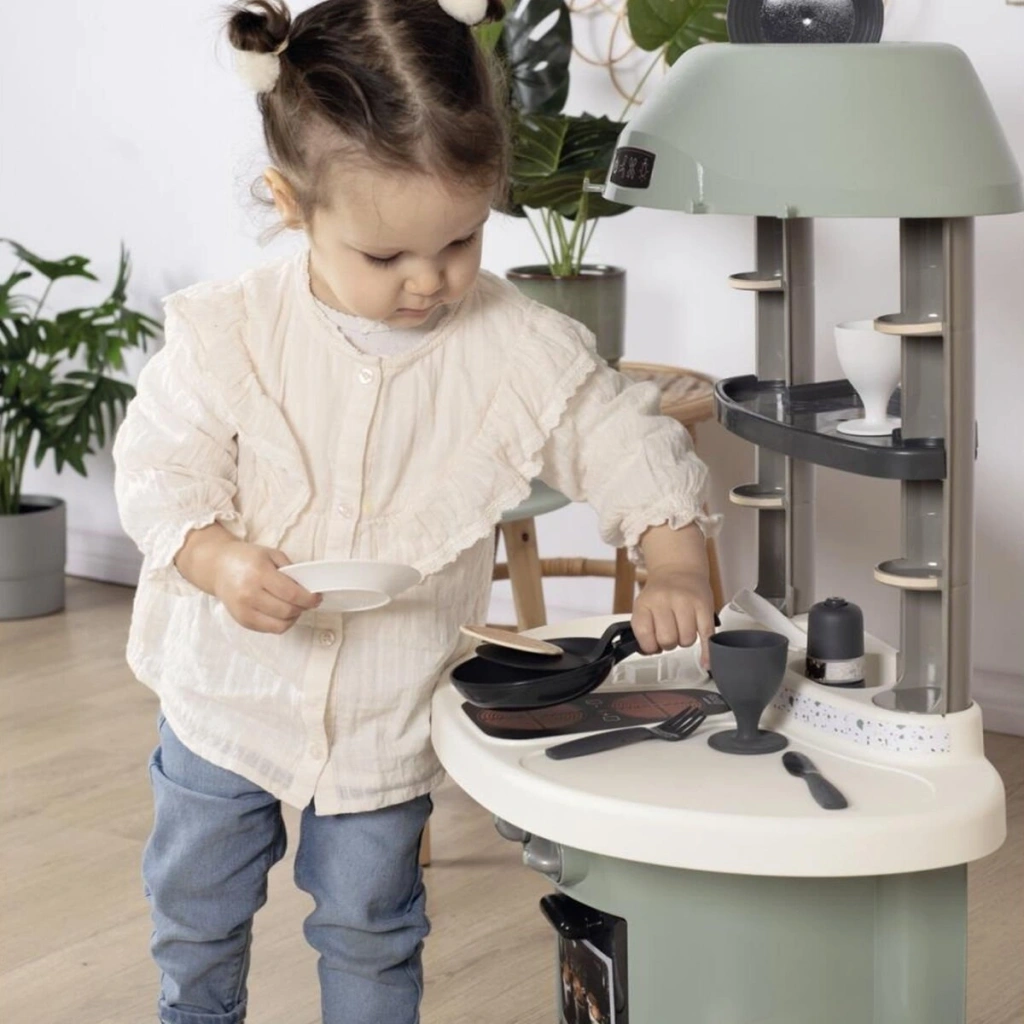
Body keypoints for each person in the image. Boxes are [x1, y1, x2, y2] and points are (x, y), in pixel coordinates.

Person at [113, 1, 718, 1022]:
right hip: (228, 691)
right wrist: (216, 559)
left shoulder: (517, 348)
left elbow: (624, 438)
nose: (430, 281)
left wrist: (675, 559)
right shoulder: (231, 333)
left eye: (461, 239)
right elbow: (159, 467)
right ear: (292, 205)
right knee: (195, 906)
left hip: (383, 715)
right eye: (385, 257)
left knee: (371, 924)